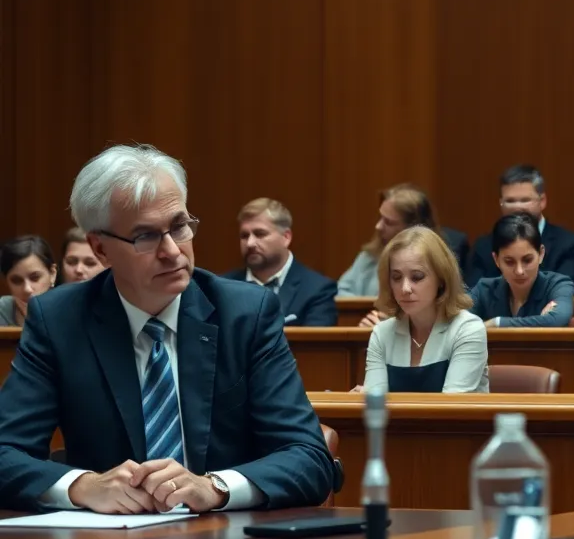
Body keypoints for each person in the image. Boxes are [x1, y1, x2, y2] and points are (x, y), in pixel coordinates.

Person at [0, 144, 333, 512]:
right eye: (146, 236)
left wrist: (215, 488)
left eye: (179, 227)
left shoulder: (246, 314)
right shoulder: (59, 320)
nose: (173, 251)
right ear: (100, 249)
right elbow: (5, 452)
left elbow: (309, 458)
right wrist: (82, 486)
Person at [363, 226, 489, 393]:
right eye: (396, 277)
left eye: (417, 277)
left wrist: (380, 400)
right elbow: (375, 408)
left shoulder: (467, 329)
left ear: (441, 279)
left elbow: (452, 409)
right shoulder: (382, 333)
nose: (405, 288)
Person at [465, 165, 574, 294]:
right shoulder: (484, 246)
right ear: (501, 203)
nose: (517, 208)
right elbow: (474, 294)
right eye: (510, 201)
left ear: (542, 201)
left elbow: (565, 292)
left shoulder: (569, 244)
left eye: (525, 200)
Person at [336, 183, 468, 297]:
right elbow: (342, 291)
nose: (378, 226)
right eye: (380, 217)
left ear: (412, 227)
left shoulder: (437, 260)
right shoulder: (370, 255)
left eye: (388, 222)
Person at [221, 197, 337, 326]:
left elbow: (316, 345)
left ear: (286, 237)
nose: (250, 243)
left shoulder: (317, 289)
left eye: (260, 234)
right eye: (244, 236)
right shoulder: (222, 288)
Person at [468, 214, 574, 328]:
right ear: (496, 259)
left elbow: (557, 319)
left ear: (541, 254)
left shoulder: (558, 285)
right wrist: (542, 321)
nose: (519, 271)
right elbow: (457, 324)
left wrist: (497, 323)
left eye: (527, 260)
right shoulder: (484, 289)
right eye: (509, 262)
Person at [0, 236, 57, 327]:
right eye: (17, 281)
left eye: (35, 278)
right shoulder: (2, 309)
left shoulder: (70, 309)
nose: (27, 289)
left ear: (52, 274)